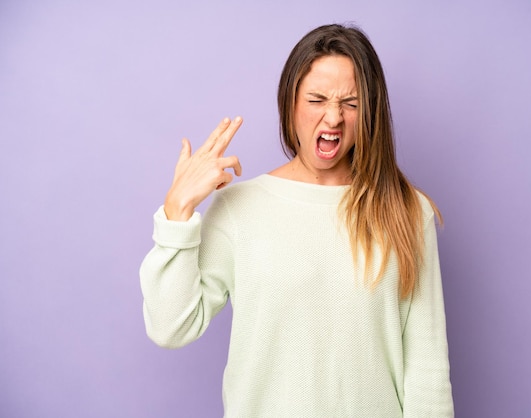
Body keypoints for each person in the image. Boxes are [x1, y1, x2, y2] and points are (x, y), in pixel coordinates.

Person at [140, 23, 454, 417]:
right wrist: (177, 212)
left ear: (369, 111)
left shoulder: (407, 211)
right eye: (317, 99)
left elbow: (427, 370)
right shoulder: (240, 208)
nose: (334, 117)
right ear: (290, 103)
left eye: (351, 103)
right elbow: (171, 327)